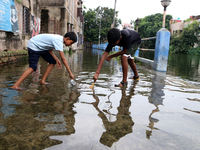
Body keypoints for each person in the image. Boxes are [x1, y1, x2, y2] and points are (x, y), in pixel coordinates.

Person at [10, 31, 77, 90]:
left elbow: (49, 49)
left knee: (52, 61)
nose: (70, 45)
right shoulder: (58, 40)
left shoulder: (60, 39)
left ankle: (42, 81)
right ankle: (15, 85)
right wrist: (70, 73)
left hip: (41, 48)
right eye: (71, 43)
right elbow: (63, 59)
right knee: (33, 67)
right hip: (34, 46)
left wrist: (56, 59)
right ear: (67, 38)